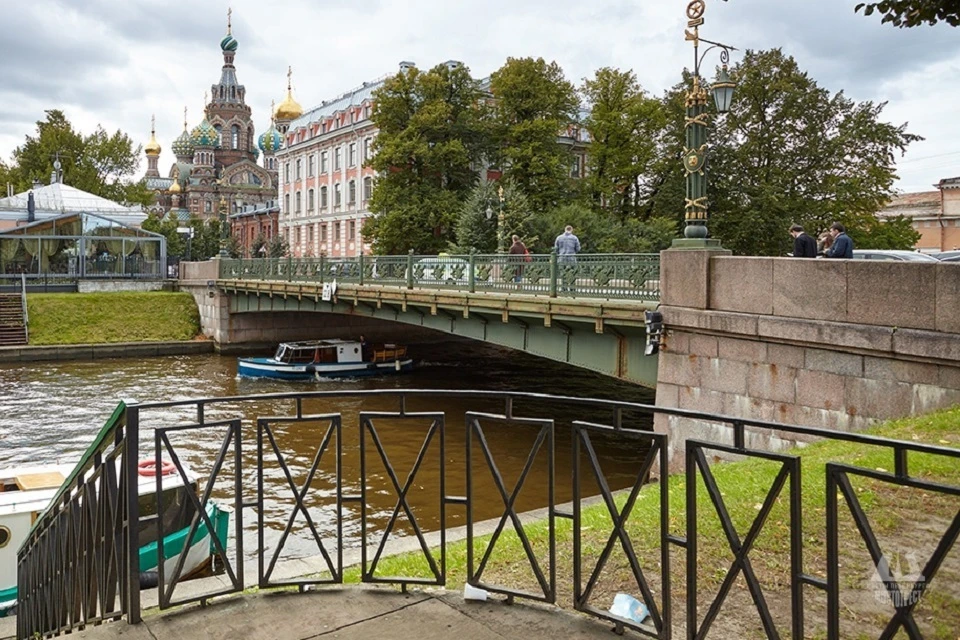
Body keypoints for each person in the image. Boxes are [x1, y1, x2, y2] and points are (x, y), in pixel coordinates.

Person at [554, 225, 580, 293]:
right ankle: (572, 289)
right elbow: (578, 249)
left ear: (565, 229)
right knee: (572, 273)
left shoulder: (559, 238)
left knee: (563, 274)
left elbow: (556, 249)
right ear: (571, 230)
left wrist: (559, 253)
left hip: (562, 258)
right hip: (571, 258)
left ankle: (564, 288)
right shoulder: (574, 238)